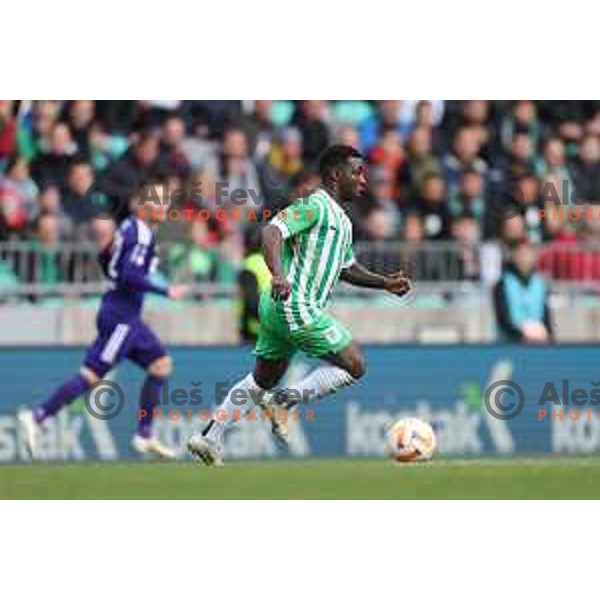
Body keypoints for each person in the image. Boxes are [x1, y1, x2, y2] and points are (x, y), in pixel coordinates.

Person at [187, 145, 412, 466]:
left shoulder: (343, 222)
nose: (363, 179)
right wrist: (278, 274)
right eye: (356, 172)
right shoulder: (314, 205)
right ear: (336, 175)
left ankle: (209, 437)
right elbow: (273, 231)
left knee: (260, 379)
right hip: (295, 303)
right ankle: (283, 402)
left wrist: (384, 283)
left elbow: (346, 268)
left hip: (280, 309)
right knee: (355, 365)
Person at [18, 181, 190, 459]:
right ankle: (37, 416)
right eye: (158, 202)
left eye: (165, 201)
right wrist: (165, 290)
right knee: (92, 375)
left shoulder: (128, 227)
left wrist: (115, 279)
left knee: (161, 365)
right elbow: (128, 274)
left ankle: (144, 435)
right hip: (121, 318)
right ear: (143, 206)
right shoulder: (141, 234)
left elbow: (105, 257)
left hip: (127, 315)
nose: (164, 207)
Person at [493, 238, 553, 343]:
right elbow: (502, 318)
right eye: (520, 253)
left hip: (538, 342)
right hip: (511, 342)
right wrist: (521, 334)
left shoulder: (540, 283)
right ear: (513, 256)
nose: (524, 258)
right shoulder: (502, 284)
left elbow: (546, 316)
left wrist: (547, 334)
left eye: (527, 253)